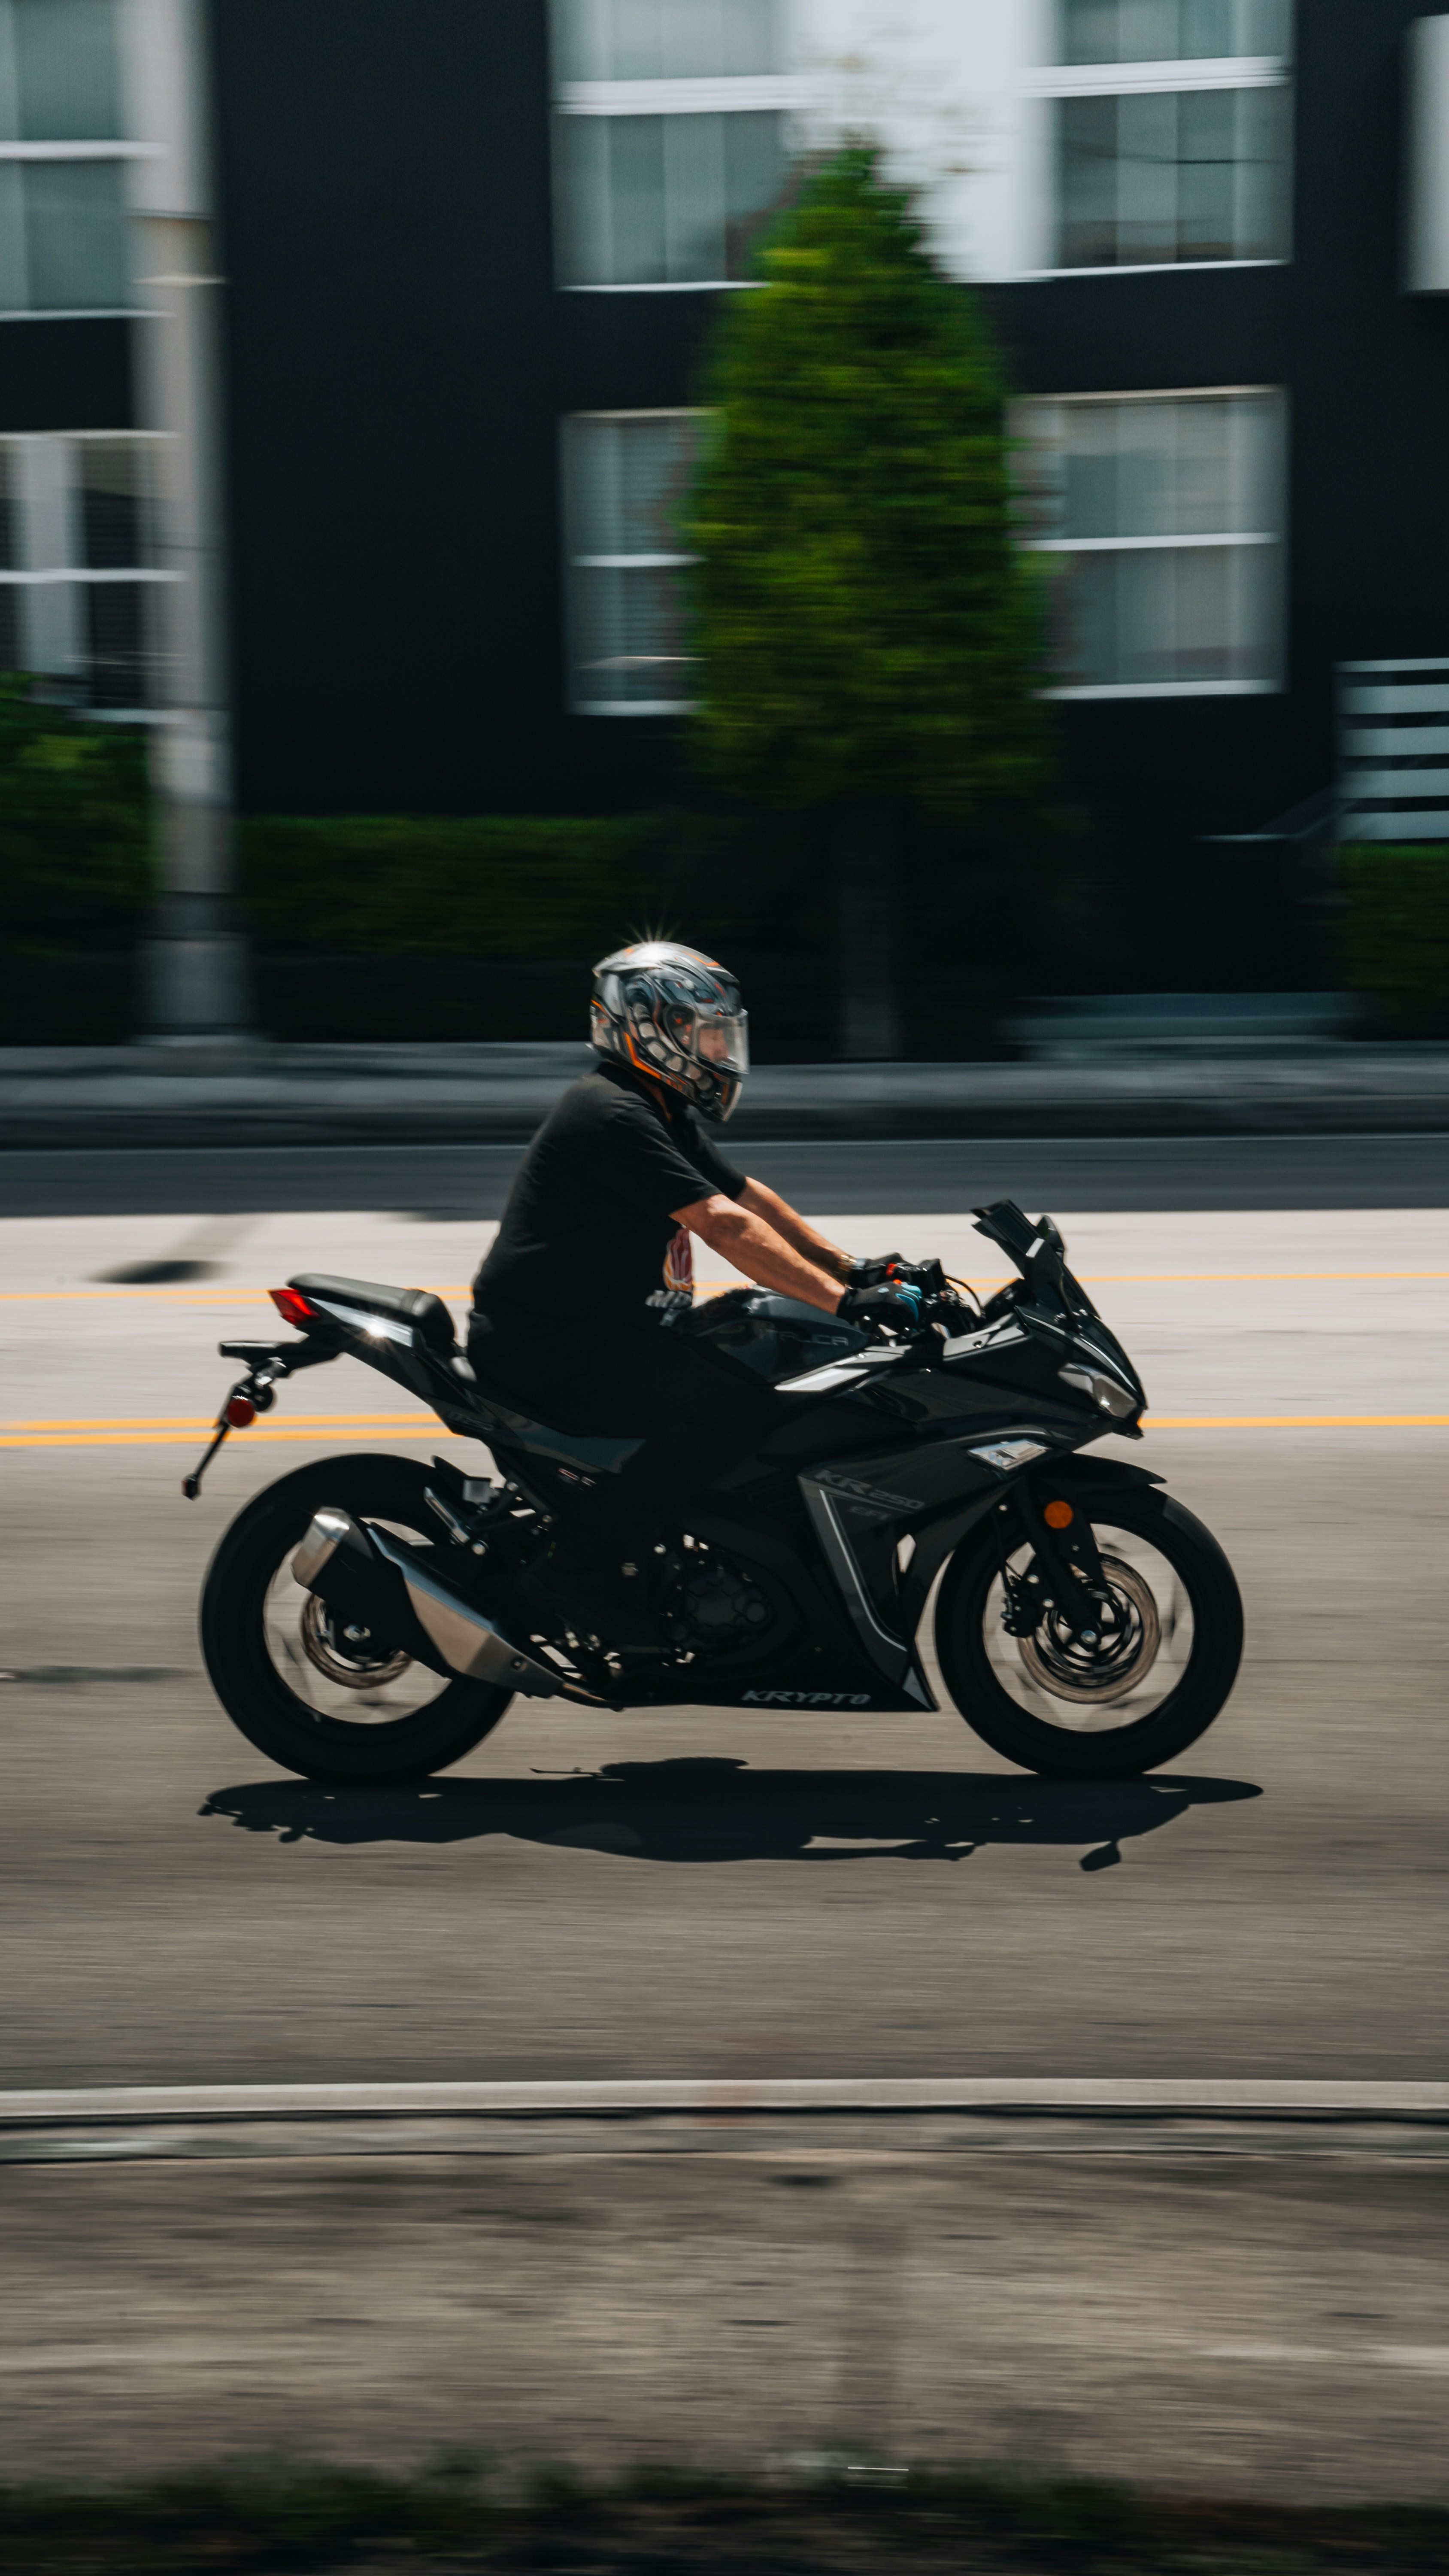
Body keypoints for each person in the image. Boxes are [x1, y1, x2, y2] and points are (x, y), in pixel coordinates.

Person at [467, 939, 922, 1643]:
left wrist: (854, 1269)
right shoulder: (611, 1113)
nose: (719, 1048)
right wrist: (844, 1302)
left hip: (608, 1331)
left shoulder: (657, 1107)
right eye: (704, 1032)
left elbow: (746, 1195)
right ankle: (579, 1570)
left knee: (768, 1353)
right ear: (652, 1029)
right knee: (730, 1410)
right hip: (553, 1347)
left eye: (721, 1034)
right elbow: (723, 1224)